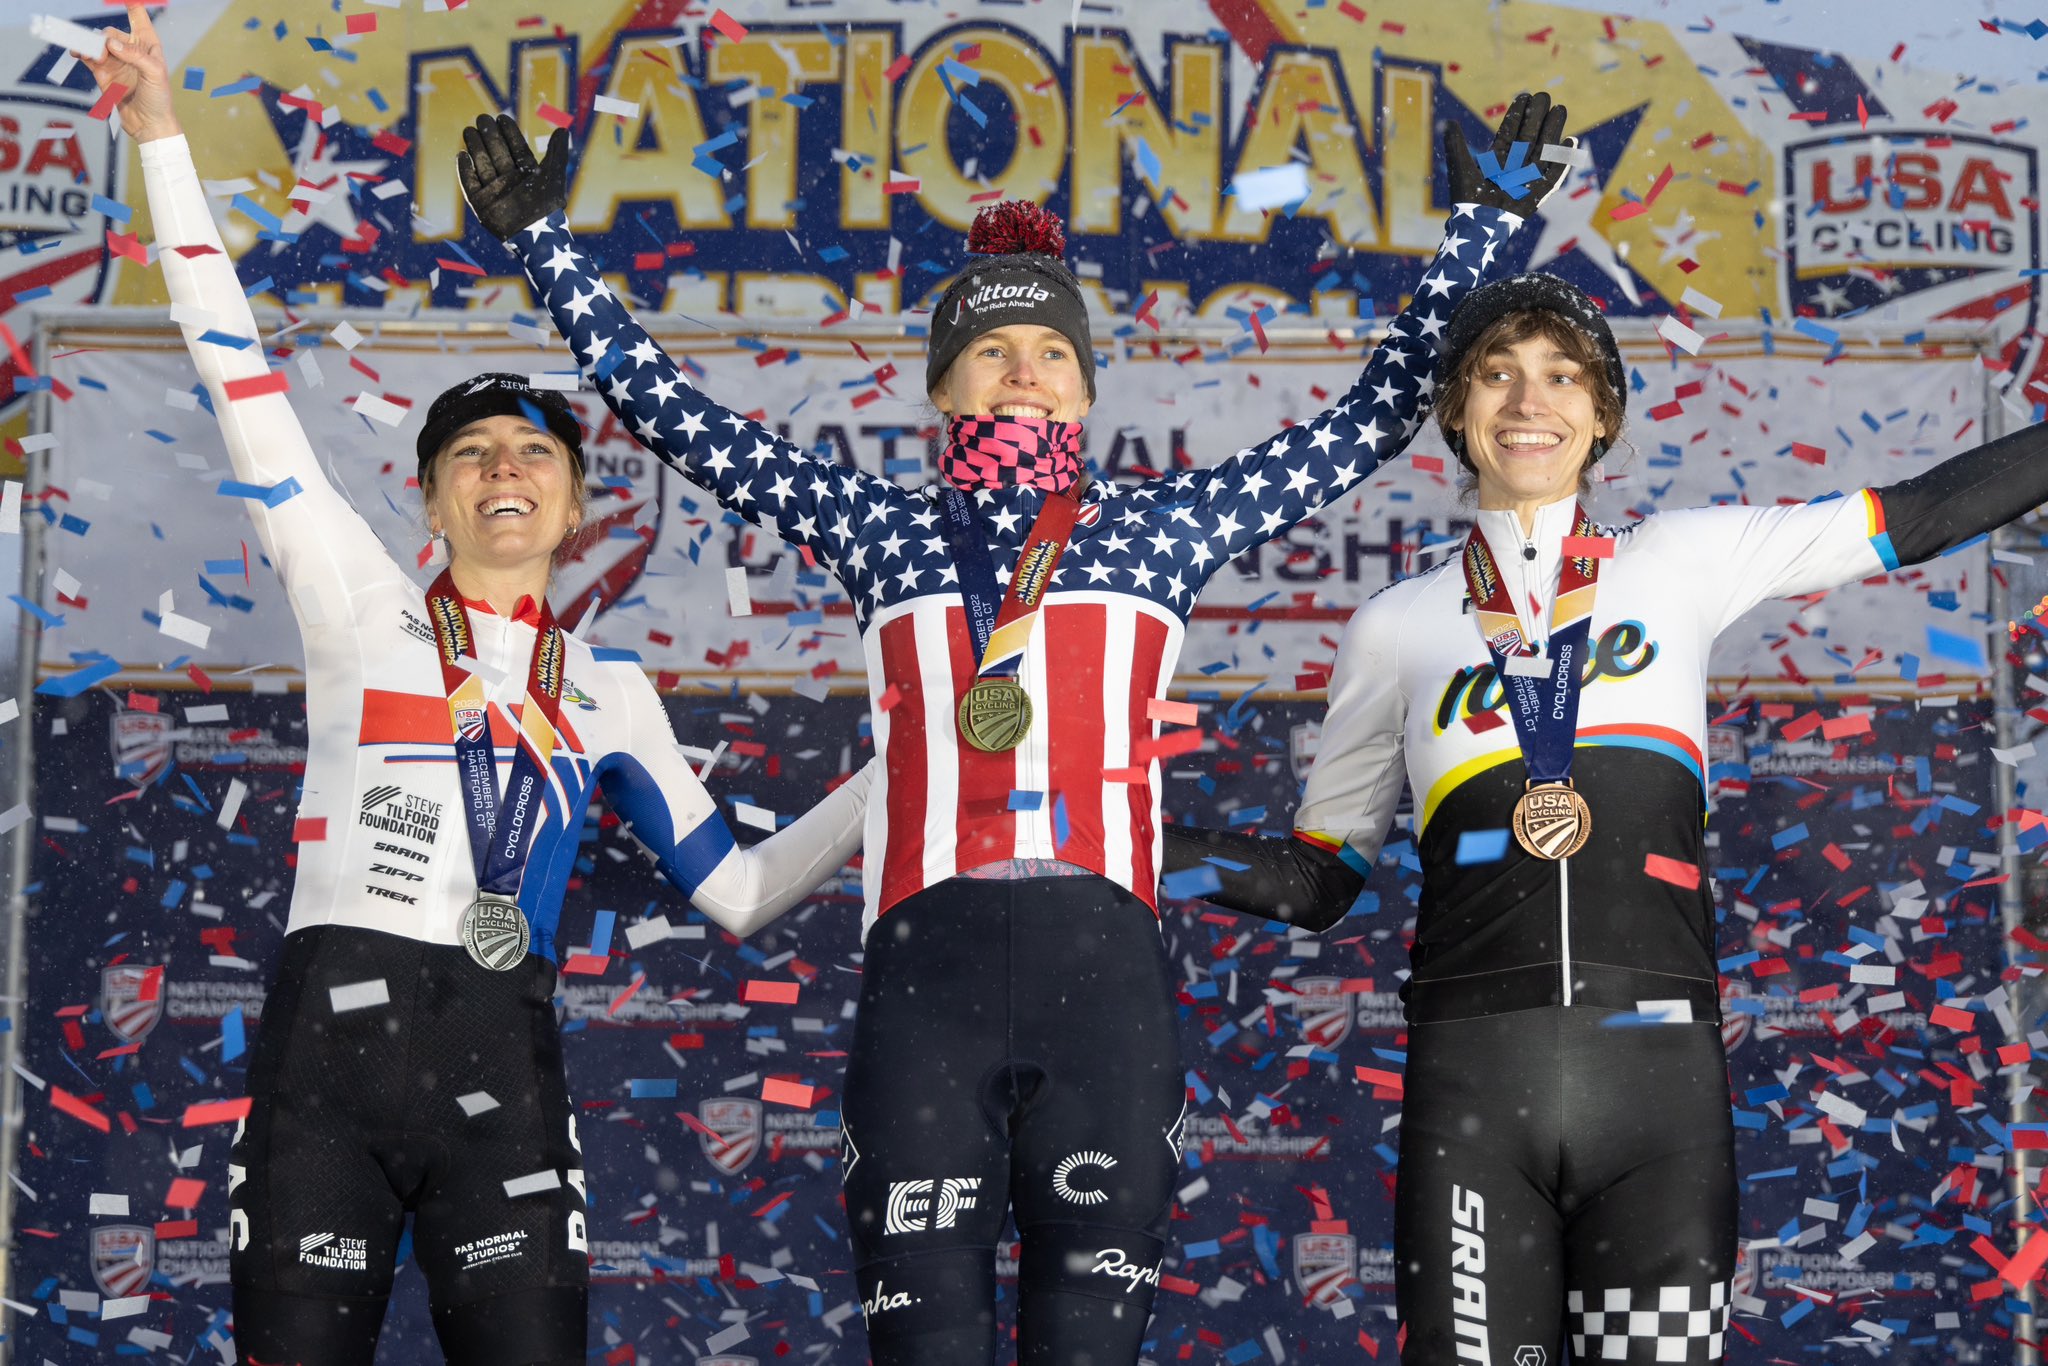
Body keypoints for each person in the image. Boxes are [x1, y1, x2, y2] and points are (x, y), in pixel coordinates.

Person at [457, 93, 1568, 1365]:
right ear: (940, 386)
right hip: (921, 974)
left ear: (1088, 390)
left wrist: (1484, 225)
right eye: (991, 353)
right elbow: (671, 412)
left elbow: (1373, 413)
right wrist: (546, 247)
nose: (1023, 371)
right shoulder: (877, 528)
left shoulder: (1156, 531)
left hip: (1102, 975)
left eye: (1050, 352)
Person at [84, 11, 873, 1365]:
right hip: (321, 1071)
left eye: (534, 453)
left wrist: (903, 760)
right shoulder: (358, 599)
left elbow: (741, 894)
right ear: (430, 497)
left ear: (574, 505)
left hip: (500, 1075)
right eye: (472, 454)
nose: (504, 467)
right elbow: (236, 368)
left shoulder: (610, 692)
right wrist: (162, 133)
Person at [1162, 256, 2048, 1356]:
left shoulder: (1679, 561)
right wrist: (1115, 833)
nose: (1528, 402)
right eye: (1495, 375)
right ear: (1454, 411)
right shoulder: (1395, 626)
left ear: (1600, 417)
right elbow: (1313, 879)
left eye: (1561, 377)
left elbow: (1912, 517)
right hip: (1473, 1094)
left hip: (1657, 1092)